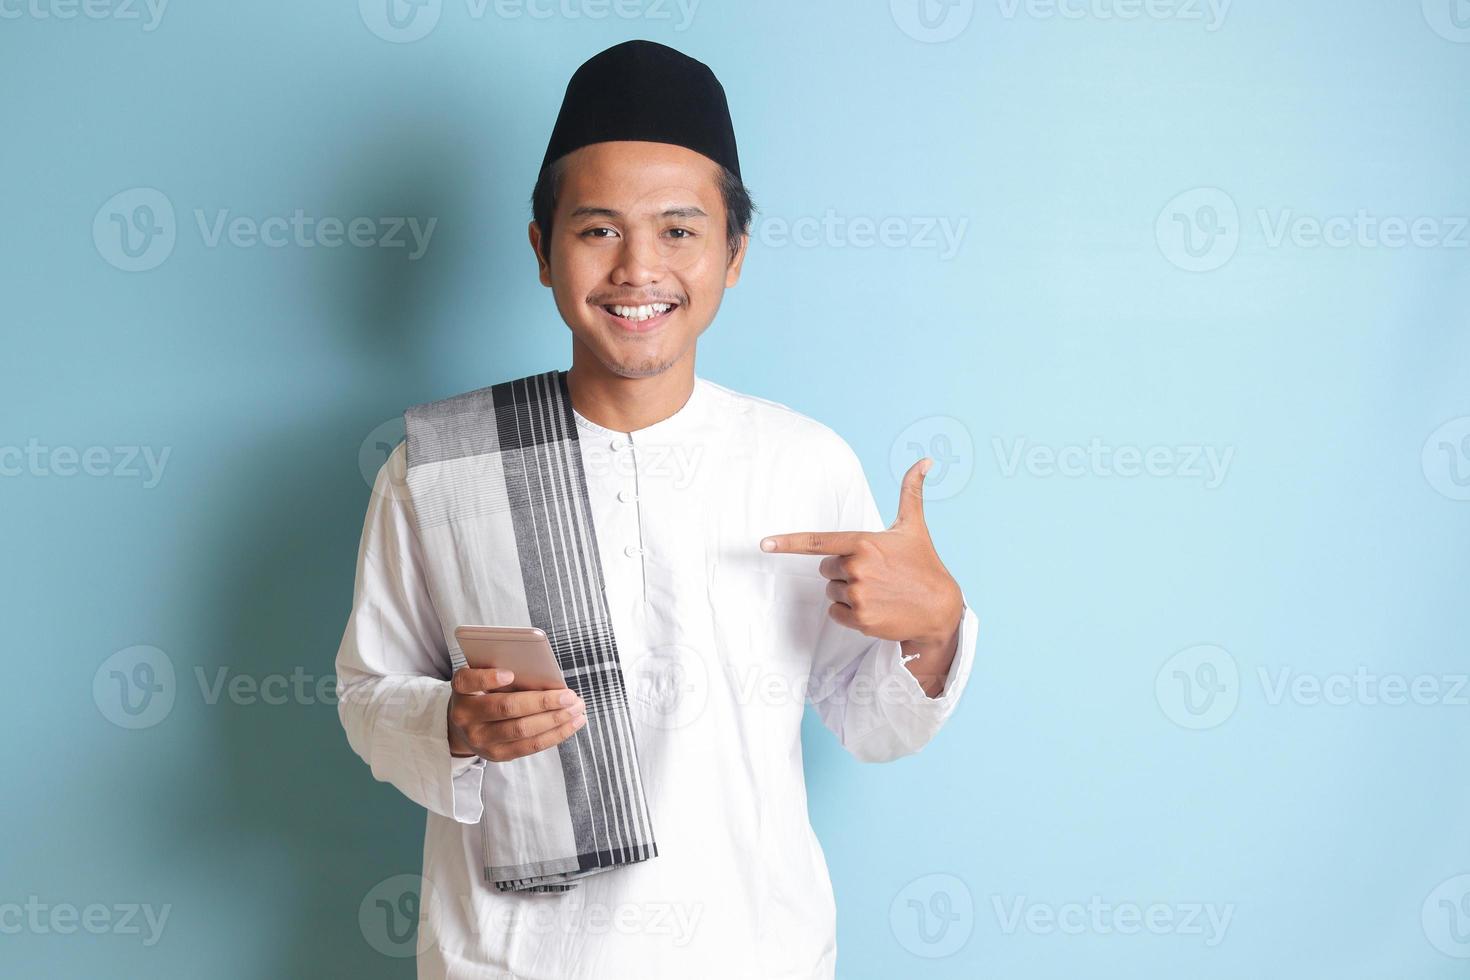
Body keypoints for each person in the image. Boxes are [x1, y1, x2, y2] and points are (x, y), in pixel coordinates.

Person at [335, 38, 979, 979]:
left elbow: (870, 721)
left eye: (679, 230)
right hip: (510, 959)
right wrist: (451, 727)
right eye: (598, 230)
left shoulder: (803, 462)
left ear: (734, 253)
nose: (638, 268)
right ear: (542, 251)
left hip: (750, 951)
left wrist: (935, 626)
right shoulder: (440, 466)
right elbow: (367, 695)